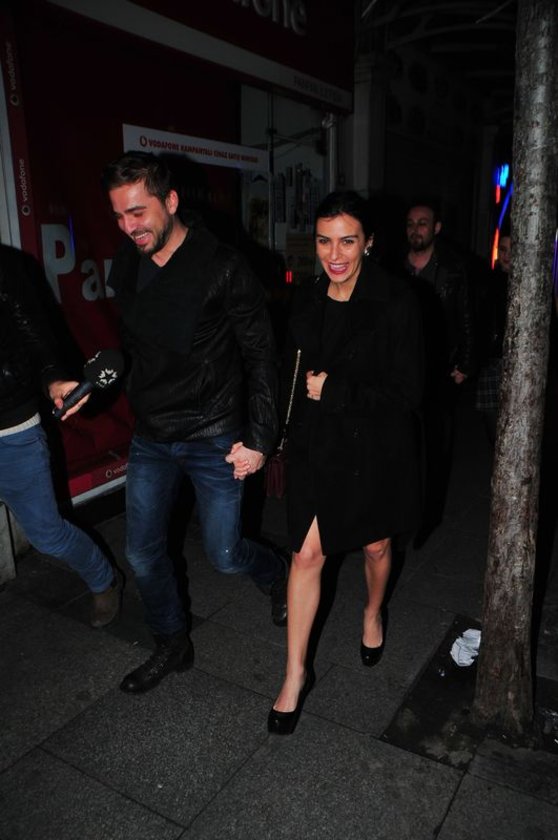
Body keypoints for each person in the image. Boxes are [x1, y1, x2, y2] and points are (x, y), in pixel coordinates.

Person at [101, 151, 288, 694]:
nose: (128, 227)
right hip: (152, 433)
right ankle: (171, 642)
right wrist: (92, 381)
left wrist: (260, 437)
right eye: (119, 216)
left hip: (213, 431)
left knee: (225, 556)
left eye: (138, 212)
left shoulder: (223, 266)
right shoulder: (127, 263)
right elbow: (134, 346)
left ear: (171, 200)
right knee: (141, 552)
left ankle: (275, 572)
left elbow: (261, 355)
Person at [268, 191, 423, 735]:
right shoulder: (306, 298)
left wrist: (337, 391)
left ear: (369, 242)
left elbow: (409, 393)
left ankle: (372, 610)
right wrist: (263, 436)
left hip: (374, 447)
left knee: (376, 546)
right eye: (324, 241)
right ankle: (294, 675)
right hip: (316, 447)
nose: (334, 255)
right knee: (305, 554)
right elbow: (285, 377)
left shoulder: (397, 302)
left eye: (347, 241)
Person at [0, 243, 121, 627]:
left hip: (10, 430)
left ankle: (104, 579)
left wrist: (53, 378)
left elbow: (34, 334)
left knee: (47, 534)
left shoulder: (4, 265)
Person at [402, 200, 475, 547]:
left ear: (436, 228)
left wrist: (465, 364)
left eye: (422, 223)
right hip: (402, 371)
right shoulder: (395, 266)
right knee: (403, 448)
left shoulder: (453, 269)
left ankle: (427, 518)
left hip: (439, 372)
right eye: (410, 223)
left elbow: (467, 317)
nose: (416, 229)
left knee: (436, 448)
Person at [475, 233, 510, 445]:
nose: (506, 255)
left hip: (514, 361)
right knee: (491, 422)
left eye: (511, 250)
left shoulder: (530, 285)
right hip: (491, 359)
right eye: (503, 250)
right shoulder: (489, 281)